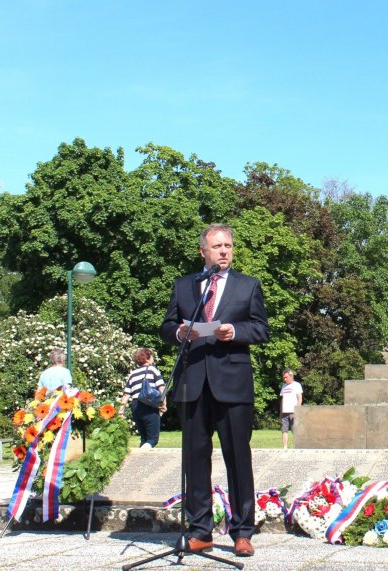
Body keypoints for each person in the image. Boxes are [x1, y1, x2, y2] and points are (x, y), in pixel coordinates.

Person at [160, 223, 269, 557]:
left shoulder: (248, 286)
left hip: (233, 385)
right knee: (194, 459)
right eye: (217, 246)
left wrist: (233, 331)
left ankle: (242, 532)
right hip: (193, 383)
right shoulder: (184, 287)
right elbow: (166, 327)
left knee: (237, 458)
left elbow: (261, 329)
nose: (224, 251)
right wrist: (180, 333)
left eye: (229, 246)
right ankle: (200, 531)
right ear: (202, 251)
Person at [118, 348, 166, 448]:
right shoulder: (152, 370)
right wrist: (163, 403)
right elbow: (161, 387)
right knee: (153, 439)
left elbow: (126, 394)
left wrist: (121, 411)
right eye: (152, 356)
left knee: (144, 439)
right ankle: (142, 455)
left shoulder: (132, 374)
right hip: (149, 405)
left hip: (135, 406)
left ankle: (141, 461)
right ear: (147, 359)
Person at [279, 369, 303, 449]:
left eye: (286, 377)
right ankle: (285, 447)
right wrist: (280, 412)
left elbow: (299, 398)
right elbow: (282, 399)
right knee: (284, 430)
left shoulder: (297, 385)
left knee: (295, 430)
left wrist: (298, 410)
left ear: (291, 376)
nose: (284, 379)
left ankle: (298, 447)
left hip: (293, 411)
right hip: (284, 412)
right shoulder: (284, 386)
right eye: (284, 377)